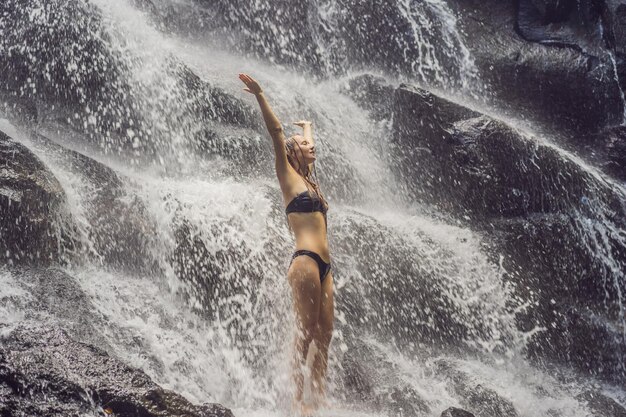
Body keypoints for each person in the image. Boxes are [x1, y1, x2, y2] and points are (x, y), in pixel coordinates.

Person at [238, 73, 334, 416]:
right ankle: (295, 402)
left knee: (325, 335)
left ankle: (318, 400)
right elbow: (277, 133)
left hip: (324, 268)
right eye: (304, 144)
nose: (311, 147)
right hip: (305, 261)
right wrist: (261, 95)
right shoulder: (288, 175)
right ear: (292, 152)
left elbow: (310, 147)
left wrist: (308, 126)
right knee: (306, 332)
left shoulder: (311, 179)